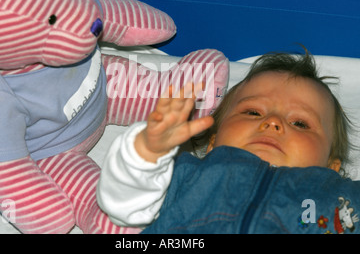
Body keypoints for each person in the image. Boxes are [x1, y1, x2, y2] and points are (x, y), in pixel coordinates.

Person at [97, 50, 359, 234]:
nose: (273, 122)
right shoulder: (187, 174)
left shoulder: (343, 198)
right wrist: (147, 154)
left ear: (332, 166)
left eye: (300, 123)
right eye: (252, 112)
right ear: (213, 143)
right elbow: (123, 205)